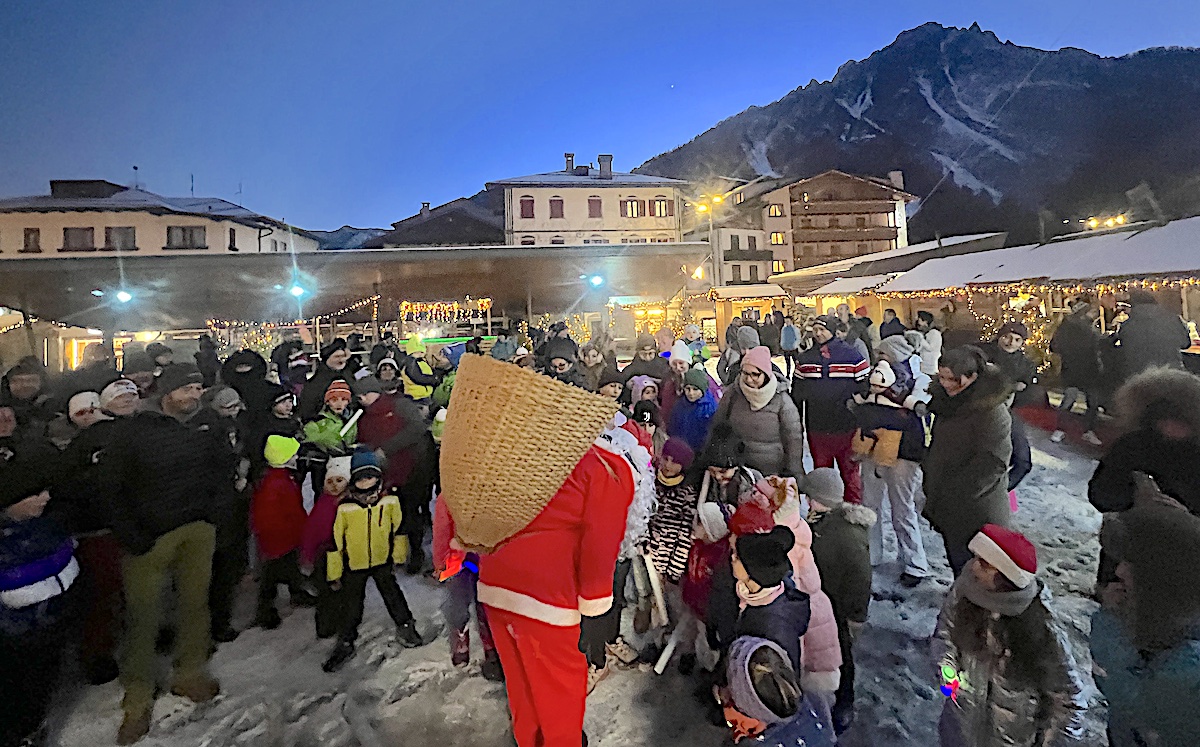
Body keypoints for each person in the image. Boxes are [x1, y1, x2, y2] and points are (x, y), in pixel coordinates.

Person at [441, 358, 636, 747]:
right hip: (551, 601)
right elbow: (599, 547)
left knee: (521, 685)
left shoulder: (509, 455)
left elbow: (456, 501)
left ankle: (528, 740)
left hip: (496, 586)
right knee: (560, 694)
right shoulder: (605, 468)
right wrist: (596, 609)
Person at [96, 364, 221, 744]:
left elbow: (221, 470)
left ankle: (189, 672)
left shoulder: (206, 423)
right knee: (144, 616)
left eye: (198, 388)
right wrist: (130, 534)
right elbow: (110, 487)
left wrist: (217, 515)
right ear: (167, 393)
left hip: (197, 528)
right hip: (150, 535)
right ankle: (138, 695)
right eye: (187, 389)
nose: (195, 396)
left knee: (195, 604)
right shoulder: (134, 430)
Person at [933, 524, 1085, 747]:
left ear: (1005, 577)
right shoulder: (965, 592)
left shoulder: (1041, 630)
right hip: (960, 731)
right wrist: (949, 678)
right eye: (976, 557)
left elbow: (1068, 702)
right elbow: (944, 636)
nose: (973, 567)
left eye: (984, 565)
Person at [1090, 503, 1200, 746]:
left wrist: (1111, 625)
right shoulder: (1176, 613)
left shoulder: (1186, 670)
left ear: (1162, 576)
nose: (1119, 570)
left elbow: (1134, 701)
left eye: (1132, 563)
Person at [1, 429, 79, 747]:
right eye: (35, 494)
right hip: (13, 643)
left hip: (50, 631)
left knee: (39, 688)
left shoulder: (47, 526)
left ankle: (32, 729)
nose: (45, 497)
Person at [1088, 366, 1200, 584]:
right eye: (1163, 417)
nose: (1169, 426)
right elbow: (1099, 493)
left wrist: (1185, 517)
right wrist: (1133, 499)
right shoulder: (1133, 445)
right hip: (1124, 554)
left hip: (1180, 563)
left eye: (1178, 420)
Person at [322, 450, 425, 672]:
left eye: (369, 477)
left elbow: (398, 530)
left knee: (393, 595)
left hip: (382, 560)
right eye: (359, 478)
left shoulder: (389, 502)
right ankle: (346, 639)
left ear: (378, 477)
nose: (365, 482)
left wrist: (398, 556)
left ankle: (405, 624)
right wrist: (334, 573)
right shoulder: (345, 508)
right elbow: (336, 543)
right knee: (351, 604)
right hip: (354, 564)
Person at [923, 347, 1014, 575]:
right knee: (958, 565)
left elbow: (992, 464)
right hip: (946, 503)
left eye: (953, 379)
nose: (945, 384)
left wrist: (952, 496)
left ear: (973, 376)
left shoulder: (991, 411)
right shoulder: (947, 403)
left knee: (978, 572)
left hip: (977, 508)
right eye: (941, 377)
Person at [805, 469, 876, 733]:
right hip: (823, 603)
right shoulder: (821, 521)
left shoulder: (847, 534)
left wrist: (856, 617)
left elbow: (861, 580)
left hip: (839, 610)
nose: (807, 501)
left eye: (810, 496)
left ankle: (845, 702)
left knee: (843, 657)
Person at [851, 355, 931, 588]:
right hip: (872, 447)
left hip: (903, 454)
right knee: (871, 504)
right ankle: (874, 554)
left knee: (901, 508)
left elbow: (922, 408)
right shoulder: (872, 381)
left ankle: (914, 562)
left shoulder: (917, 381)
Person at [191, 385, 252, 644]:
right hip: (216, 503)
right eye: (230, 408)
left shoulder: (232, 426)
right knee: (218, 565)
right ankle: (215, 623)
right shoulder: (209, 429)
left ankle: (219, 618)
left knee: (227, 560)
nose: (234, 412)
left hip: (230, 500)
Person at [352, 375, 432, 572]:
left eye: (363, 395)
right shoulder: (364, 417)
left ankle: (415, 553)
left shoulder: (399, 406)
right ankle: (395, 553)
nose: (360, 399)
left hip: (412, 468)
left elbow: (417, 428)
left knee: (409, 512)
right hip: (385, 473)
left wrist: (386, 448)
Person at [793, 317, 869, 502]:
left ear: (833, 330)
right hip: (817, 427)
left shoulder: (852, 356)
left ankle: (853, 515)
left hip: (846, 427)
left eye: (822, 329)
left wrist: (855, 408)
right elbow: (797, 393)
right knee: (822, 477)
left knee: (850, 475)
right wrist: (798, 422)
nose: (818, 334)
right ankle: (823, 514)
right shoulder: (805, 359)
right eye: (815, 330)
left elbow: (865, 388)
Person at [432, 494, 503, 681]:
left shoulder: (497, 487)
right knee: (457, 604)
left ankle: (492, 648)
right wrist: (441, 562)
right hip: (459, 559)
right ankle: (460, 636)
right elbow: (442, 529)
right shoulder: (450, 492)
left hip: (487, 557)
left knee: (486, 604)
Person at [712, 345, 805, 478]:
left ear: (766, 374)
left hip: (771, 474)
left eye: (755, 374)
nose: (749, 380)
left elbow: (793, 440)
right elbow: (718, 425)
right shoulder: (733, 394)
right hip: (738, 470)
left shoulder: (782, 400)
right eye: (745, 373)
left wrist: (794, 474)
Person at [251, 436, 314, 629]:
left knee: (290, 566)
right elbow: (269, 515)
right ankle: (265, 611)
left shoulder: (279, 478)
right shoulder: (276, 484)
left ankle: (296, 591)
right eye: (293, 455)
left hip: (285, 536)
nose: (297, 457)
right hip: (278, 538)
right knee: (270, 576)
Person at [299, 455, 351, 639]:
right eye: (330, 481)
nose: (334, 485)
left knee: (343, 592)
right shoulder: (323, 505)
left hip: (345, 556)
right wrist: (308, 556)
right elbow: (311, 532)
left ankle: (341, 620)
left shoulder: (349, 504)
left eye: (339, 480)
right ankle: (325, 626)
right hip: (325, 555)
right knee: (327, 594)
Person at [1050, 301, 1104, 446]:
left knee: (1070, 399)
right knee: (1091, 401)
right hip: (1086, 369)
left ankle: (1061, 430)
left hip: (1072, 368)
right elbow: (1096, 346)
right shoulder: (1086, 329)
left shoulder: (1065, 327)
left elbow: (1053, 346)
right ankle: (1087, 430)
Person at [1113, 290, 1191, 383]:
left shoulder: (1127, 325)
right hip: (1172, 373)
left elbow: (1122, 348)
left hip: (1139, 377)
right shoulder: (1172, 319)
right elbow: (1186, 343)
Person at [301, 379, 357, 491]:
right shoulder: (318, 420)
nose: (339, 403)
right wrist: (331, 438)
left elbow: (351, 439)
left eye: (344, 399)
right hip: (323, 465)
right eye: (334, 399)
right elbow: (309, 435)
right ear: (327, 402)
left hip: (344, 465)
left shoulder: (351, 419)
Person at [1, 357, 55, 438]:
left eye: (31, 381)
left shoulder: (53, 408)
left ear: (41, 383)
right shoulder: (3, 411)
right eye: (17, 381)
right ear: (8, 384)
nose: (24, 385)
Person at [298, 339, 352, 421]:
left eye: (343, 356)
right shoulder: (317, 381)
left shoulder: (350, 375)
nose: (341, 360)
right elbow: (308, 406)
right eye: (337, 357)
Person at [668, 367, 719, 453]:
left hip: (700, 452)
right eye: (688, 389)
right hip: (681, 449)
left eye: (695, 389)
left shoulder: (710, 408)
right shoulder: (679, 405)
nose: (691, 393)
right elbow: (673, 426)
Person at [401, 338, 439, 403]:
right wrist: (433, 380)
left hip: (422, 395)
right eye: (416, 352)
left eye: (421, 352)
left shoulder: (419, 362)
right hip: (417, 397)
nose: (420, 354)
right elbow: (417, 377)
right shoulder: (411, 362)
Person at [914, 310, 943, 377]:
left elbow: (931, 348)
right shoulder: (927, 333)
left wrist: (921, 338)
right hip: (924, 365)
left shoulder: (934, 333)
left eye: (919, 319)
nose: (918, 321)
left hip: (931, 365)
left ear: (925, 321)